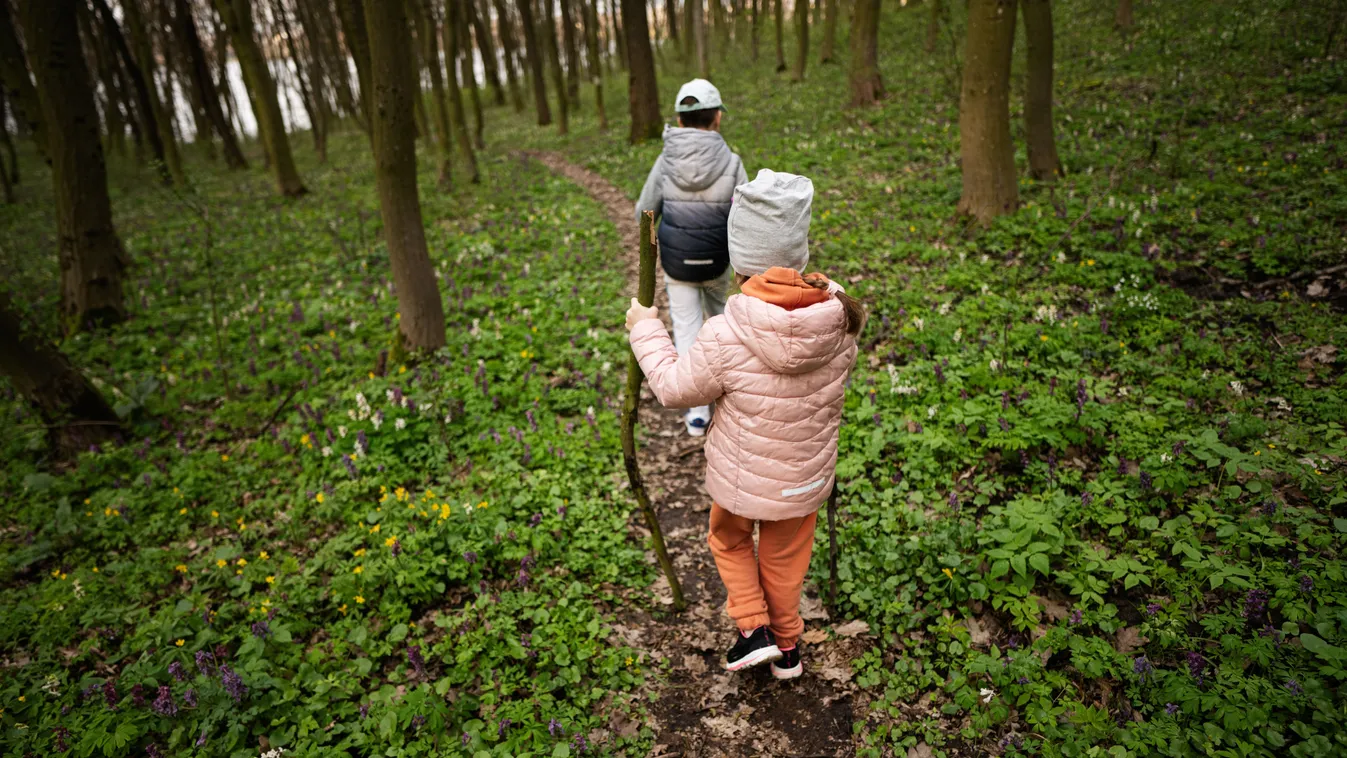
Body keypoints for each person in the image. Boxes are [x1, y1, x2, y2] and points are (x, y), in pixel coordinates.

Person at [625, 169, 865, 679]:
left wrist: (646, 328)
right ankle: (789, 650)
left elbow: (672, 388)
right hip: (804, 481)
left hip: (740, 483)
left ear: (741, 261)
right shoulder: (841, 322)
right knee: (785, 562)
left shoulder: (725, 334)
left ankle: (753, 629)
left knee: (729, 540)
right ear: (798, 253)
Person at [635, 78, 748, 437]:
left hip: (677, 264)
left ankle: (697, 413)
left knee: (686, 330)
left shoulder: (665, 162)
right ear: (717, 118)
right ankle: (729, 399)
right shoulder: (732, 162)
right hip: (718, 261)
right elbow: (745, 216)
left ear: (680, 121)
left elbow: (644, 210)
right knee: (722, 325)